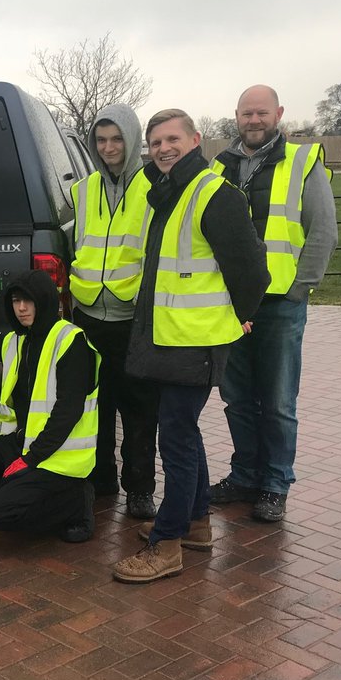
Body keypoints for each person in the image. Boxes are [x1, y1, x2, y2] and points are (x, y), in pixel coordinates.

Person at [113, 109, 269, 584]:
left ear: (195, 140)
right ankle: (196, 523)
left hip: (196, 341)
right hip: (170, 338)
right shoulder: (168, 191)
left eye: (172, 139)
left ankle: (167, 544)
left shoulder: (213, 194)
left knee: (176, 438)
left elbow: (252, 271)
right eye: (156, 142)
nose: (163, 148)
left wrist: (240, 316)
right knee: (182, 432)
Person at [209, 85, 338, 522]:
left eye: (262, 113)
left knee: (279, 401)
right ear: (236, 116)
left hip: (281, 303)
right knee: (237, 398)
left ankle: (275, 483)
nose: (254, 120)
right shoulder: (219, 166)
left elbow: (324, 231)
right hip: (232, 304)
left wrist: (301, 287)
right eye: (247, 113)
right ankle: (245, 475)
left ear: (278, 114)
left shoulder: (303, 161)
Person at [0, 271, 99, 541]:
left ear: (44, 301)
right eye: (15, 301)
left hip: (57, 457)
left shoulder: (71, 341)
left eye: (28, 301)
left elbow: (68, 413)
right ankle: (18, 493)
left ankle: (76, 502)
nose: (21, 308)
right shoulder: (16, 339)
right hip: (19, 442)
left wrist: (30, 459)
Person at [67, 104, 159, 520]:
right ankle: (101, 477)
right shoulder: (83, 189)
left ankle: (139, 487)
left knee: (139, 409)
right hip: (89, 315)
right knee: (96, 404)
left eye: (117, 138)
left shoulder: (154, 185)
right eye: (101, 140)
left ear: (132, 139)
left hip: (132, 317)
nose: (108, 147)